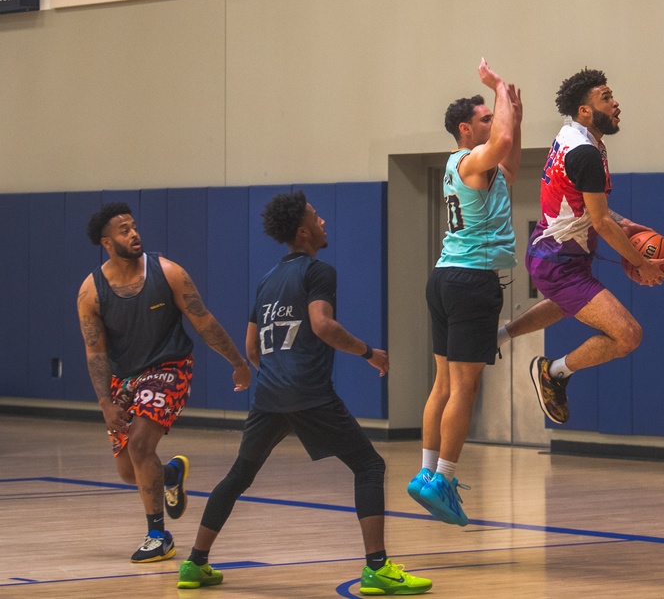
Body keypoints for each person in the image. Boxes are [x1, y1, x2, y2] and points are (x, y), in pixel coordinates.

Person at [175, 191, 431, 595]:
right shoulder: (318, 272)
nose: (322, 220)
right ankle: (378, 569)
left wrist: (277, 375)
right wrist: (369, 353)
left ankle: (194, 563)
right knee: (369, 466)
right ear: (303, 231)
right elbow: (322, 325)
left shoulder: (267, 280)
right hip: (309, 393)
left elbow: (253, 348)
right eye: (315, 216)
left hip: (269, 396)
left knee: (239, 476)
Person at [77, 202, 252, 563]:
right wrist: (105, 403)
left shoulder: (168, 272)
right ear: (107, 242)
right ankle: (171, 472)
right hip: (124, 379)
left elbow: (204, 322)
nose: (134, 233)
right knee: (130, 470)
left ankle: (158, 536)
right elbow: (95, 352)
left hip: (169, 366)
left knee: (140, 445)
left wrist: (238, 362)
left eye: (134, 226)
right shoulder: (91, 291)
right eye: (124, 230)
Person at [498, 68, 664, 424]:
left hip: (555, 252)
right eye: (606, 98)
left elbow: (591, 207)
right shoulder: (585, 153)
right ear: (584, 111)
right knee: (628, 335)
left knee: (564, 305)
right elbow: (601, 222)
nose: (616, 103)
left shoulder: (572, 135)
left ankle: (498, 337)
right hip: (558, 262)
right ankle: (554, 372)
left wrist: (626, 223)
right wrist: (641, 263)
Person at [408, 59, 523, 526]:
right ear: (465, 129)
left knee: (442, 384)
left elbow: (510, 164)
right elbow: (504, 144)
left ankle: (425, 472)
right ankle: (444, 479)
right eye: (485, 118)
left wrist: (513, 113)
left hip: (445, 277)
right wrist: (498, 87)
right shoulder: (471, 159)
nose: (493, 123)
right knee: (464, 387)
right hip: (472, 281)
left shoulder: (469, 167)